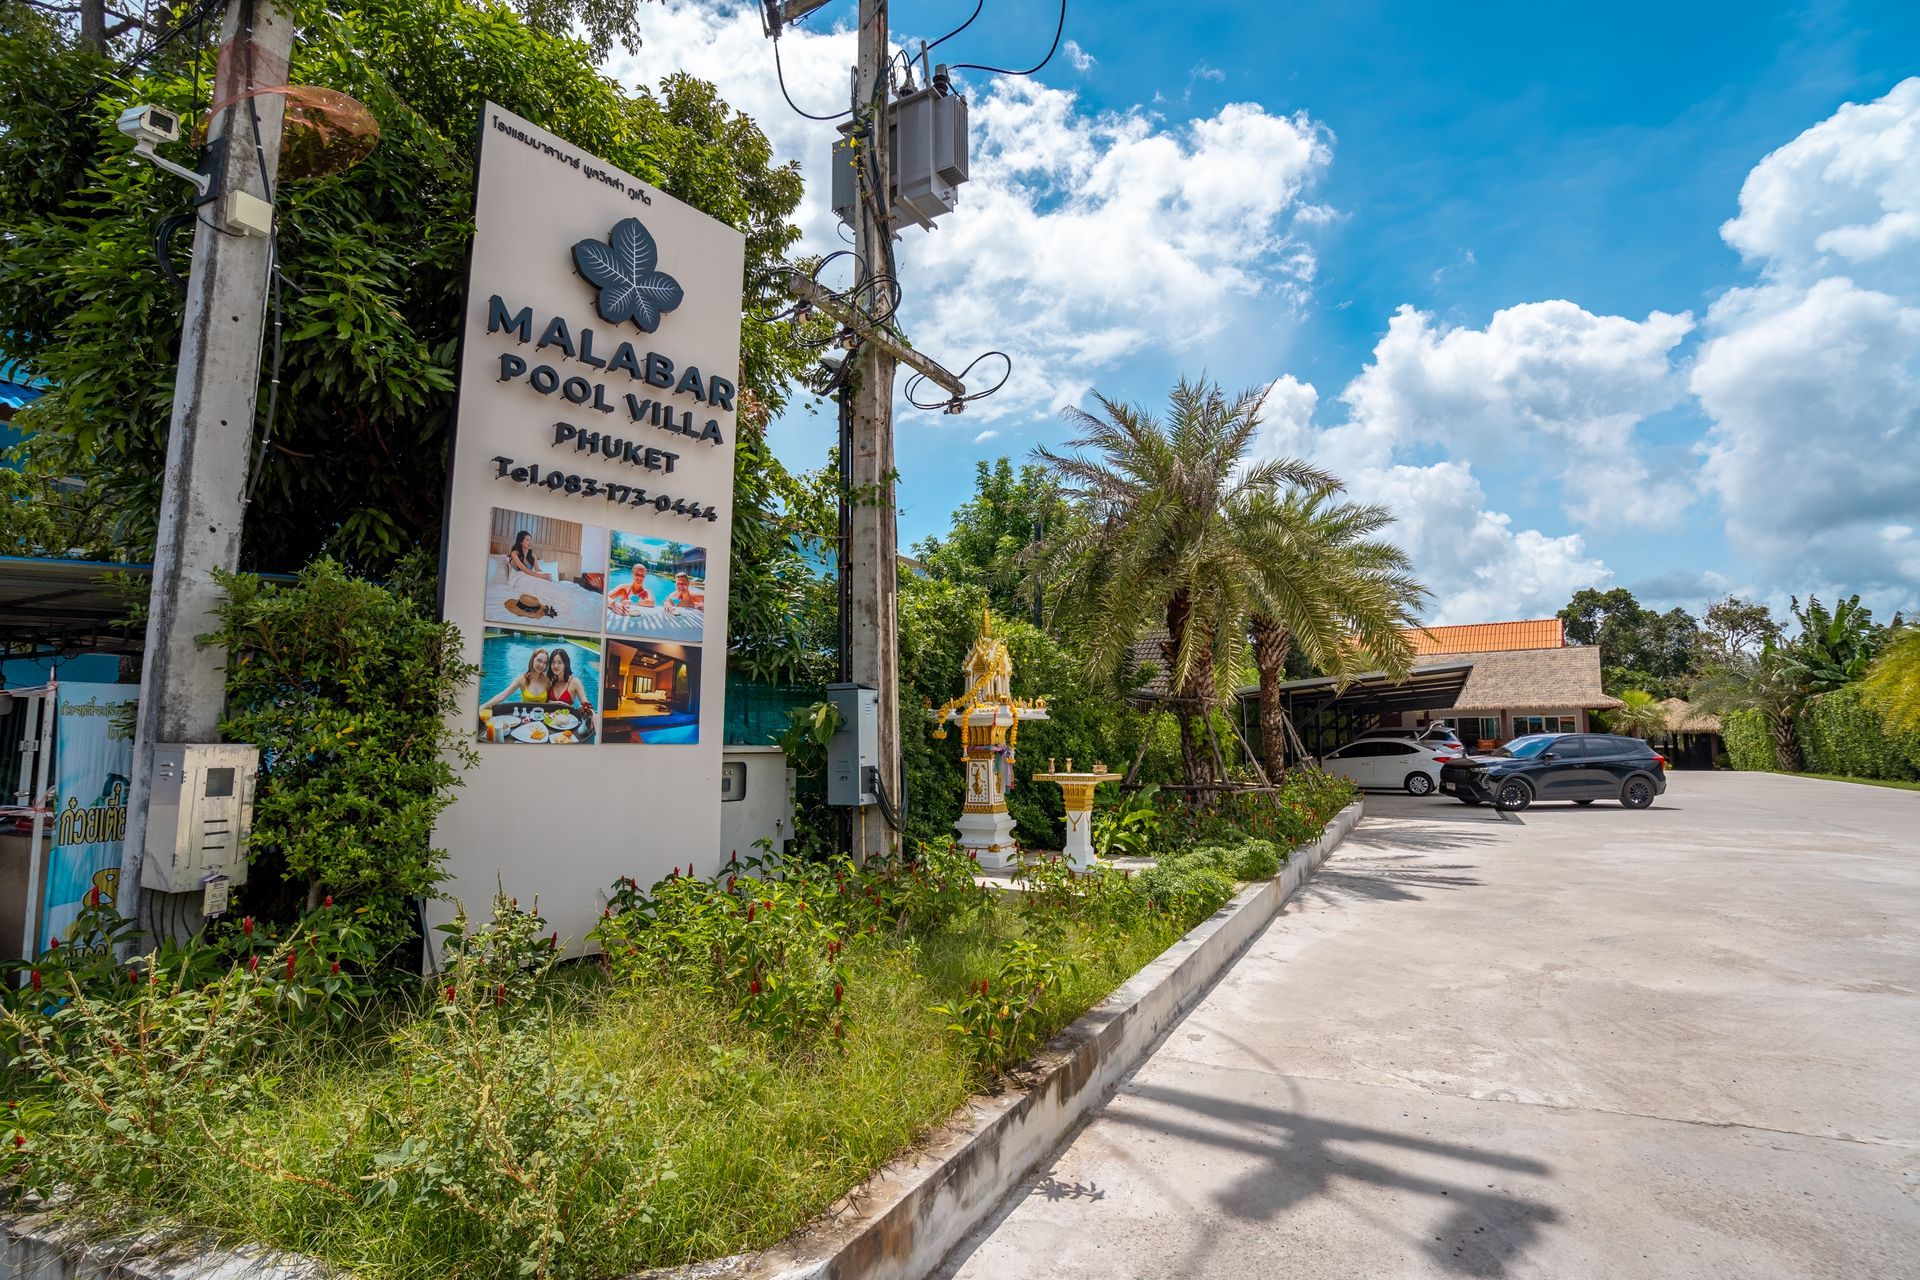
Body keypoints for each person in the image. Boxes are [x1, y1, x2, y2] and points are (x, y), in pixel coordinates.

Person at [544, 648, 595, 739]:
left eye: (559, 662)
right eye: (552, 662)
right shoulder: (550, 681)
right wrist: (555, 703)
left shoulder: (575, 682)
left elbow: (585, 704)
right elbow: (546, 701)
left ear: (565, 664)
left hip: (567, 726)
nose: (555, 665)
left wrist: (590, 714)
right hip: (550, 723)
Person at [480, 648, 550, 711]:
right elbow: (503, 695)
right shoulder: (522, 680)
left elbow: (549, 700)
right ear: (532, 660)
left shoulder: (547, 680)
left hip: (542, 718)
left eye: (545, 663)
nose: (541, 665)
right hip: (526, 717)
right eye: (539, 660)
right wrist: (483, 706)